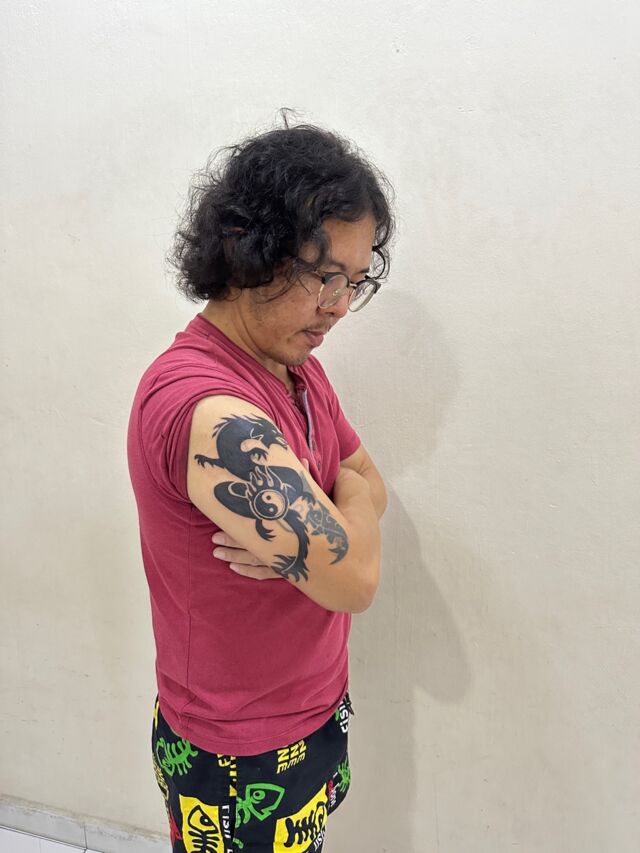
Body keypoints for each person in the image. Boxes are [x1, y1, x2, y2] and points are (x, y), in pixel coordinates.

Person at [127, 116, 394, 853]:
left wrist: (328, 519)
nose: (339, 305)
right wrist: (333, 533)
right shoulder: (209, 408)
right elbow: (356, 580)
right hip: (235, 750)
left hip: (315, 706)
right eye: (324, 275)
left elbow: (369, 481)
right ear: (250, 247)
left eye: (355, 281)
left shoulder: (296, 370)